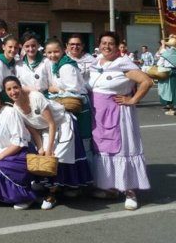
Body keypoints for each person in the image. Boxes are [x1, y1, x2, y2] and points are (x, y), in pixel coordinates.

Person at [88, 31, 153, 210]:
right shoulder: (96, 62)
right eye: (103, 43)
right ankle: (110, 188)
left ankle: (130, 191)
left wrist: (132, 100)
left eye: (110, 43)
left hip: (119, 113)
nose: (106, 46)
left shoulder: (123, 63)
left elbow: (146, 82)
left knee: (124, 149)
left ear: (117, 47)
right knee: (104, 150)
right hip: (98, 114)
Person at [4, 77, 92, 209]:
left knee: (58, 154)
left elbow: (52, 124)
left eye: (15, 87)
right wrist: (41, 148)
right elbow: (34, 131)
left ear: (20, 87)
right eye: (9, 89)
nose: (13, 91)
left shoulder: (36, 97)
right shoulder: (16, 108)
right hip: (43, 130)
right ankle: (56, 187)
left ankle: (53, 194)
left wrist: (49, 148)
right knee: (43, 155)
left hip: (61, 123)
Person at [45, 37, 91, 155]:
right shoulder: (57, 65)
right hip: (70, 106)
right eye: (49, 52)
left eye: (56, 52)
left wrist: (55, 89)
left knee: (80, 141)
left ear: (63, 51)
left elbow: (73, 89)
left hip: (76, 105)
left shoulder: (66, 66)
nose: (52, 55)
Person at [156, 37, 176, 115]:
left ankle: (172, 107)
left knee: (170, 90)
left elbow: (159, 64)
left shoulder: (166, 53)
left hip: (169, 72)